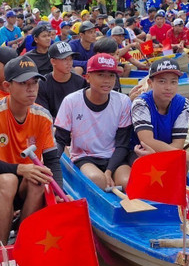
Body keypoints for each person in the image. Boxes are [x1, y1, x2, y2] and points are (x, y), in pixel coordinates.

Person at [0, 56, 60, 247]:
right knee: (9, 180)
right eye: (23, 83)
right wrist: (21, 169)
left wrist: (58, 192)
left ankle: (22, 244)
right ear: (7, 86)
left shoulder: (43, 115)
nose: (31, 89)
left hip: (23, 183)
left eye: (35, 83)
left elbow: (52, 160)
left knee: (40, 180)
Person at [54, 53, 133, 189]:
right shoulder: (71, 101)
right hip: (85, 157)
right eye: (101, 75)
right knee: (97, 180)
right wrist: (51, 164)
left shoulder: (123, 101)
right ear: (88, 77)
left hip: (114, 157)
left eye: (111, 75)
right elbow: (61, 140)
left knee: (129, 182)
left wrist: (109, 171)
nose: (107, 80)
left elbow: (122, 144)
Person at [129, 59, 189, 175]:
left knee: (182, 168)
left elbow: (178, 144)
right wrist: (188, 157)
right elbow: (146, 140)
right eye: (162, 81)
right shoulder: (141, 103)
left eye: (173, 82)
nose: (168, 87)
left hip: (166, 151)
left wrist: (160, 156)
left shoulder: (184, 104)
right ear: (150, 83)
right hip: (139, 152)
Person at [37, 41, 86, 119]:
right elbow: (43, 114)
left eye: (70, 59)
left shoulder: (80, 82)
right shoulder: (42, 84)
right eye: (64, 59)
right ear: (53, 61)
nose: (69, 63)